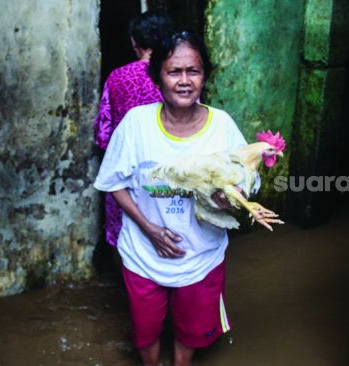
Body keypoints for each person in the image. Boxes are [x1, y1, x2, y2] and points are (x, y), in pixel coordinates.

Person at [94, 31, 274, 366]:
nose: (184, 81)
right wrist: (149, 229)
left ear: (205, 76)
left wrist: (228, 199)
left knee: (190, 333)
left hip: (201, 256)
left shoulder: (222, 126)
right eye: (174, 71)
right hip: (144, 255)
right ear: (157, 76)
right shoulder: (137, 125)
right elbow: (113, 183)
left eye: (194, 71)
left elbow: (244, 183)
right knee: (145, 332)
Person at [94, 11, 174, 254]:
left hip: (127, 174)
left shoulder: (117, 77)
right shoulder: (179, 76)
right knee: (173, 236)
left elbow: (103, 134)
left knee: (125, 238)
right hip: (169, 173)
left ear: (133, 42)